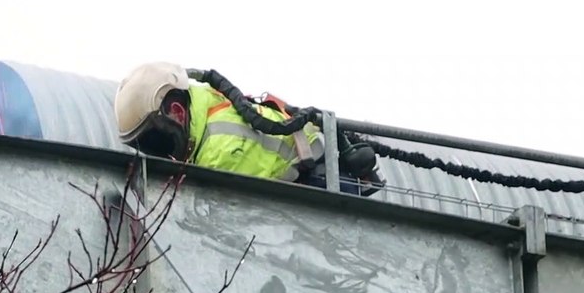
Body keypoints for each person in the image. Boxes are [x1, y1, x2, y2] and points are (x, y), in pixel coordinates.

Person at [113, 62, 382, 195]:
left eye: (156, 138)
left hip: (324, 182)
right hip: (312, 175)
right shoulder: (208, 103)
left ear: (177, 113)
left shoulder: (217, 151)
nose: (160, 151)